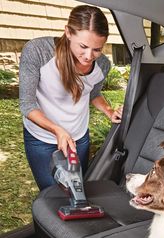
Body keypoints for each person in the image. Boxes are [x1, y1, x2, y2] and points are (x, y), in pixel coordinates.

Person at [19, 5, 123, 191]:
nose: (89, 56)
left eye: (97, 49)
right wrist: (57, 130)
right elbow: (27, 105)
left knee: (76, 190)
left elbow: (94, 93)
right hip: (41, 139)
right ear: (68, 32)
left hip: (78, 138)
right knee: (52, 195)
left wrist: (109, 111)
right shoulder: (38, 51)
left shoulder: (103, 65)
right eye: (83, 46)